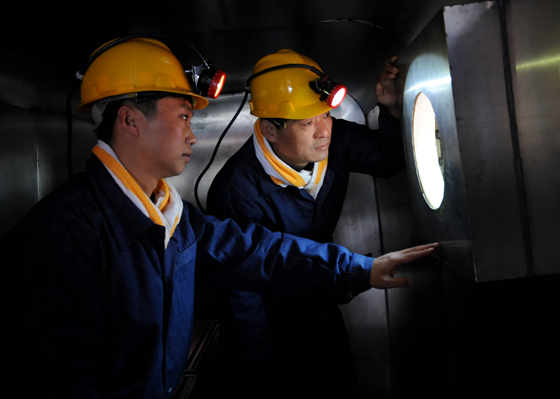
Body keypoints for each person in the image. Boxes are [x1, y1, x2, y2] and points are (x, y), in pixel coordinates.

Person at [3, 37, 436, 398]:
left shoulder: (171, 218)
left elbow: (259, 253)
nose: (192, 134)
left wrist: (361, 269)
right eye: (184, 116)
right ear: (130, 120)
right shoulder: (59, 237)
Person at [206, 49, 406, 397]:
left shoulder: (334, 141)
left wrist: (390, 108)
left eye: (325, 116)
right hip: (271, 323)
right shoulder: (235, 191)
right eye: (305, 123)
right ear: (270, 129)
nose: (322, 131)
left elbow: (388, 160)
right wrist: (264, 367)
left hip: (322, 301)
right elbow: (243, 292)